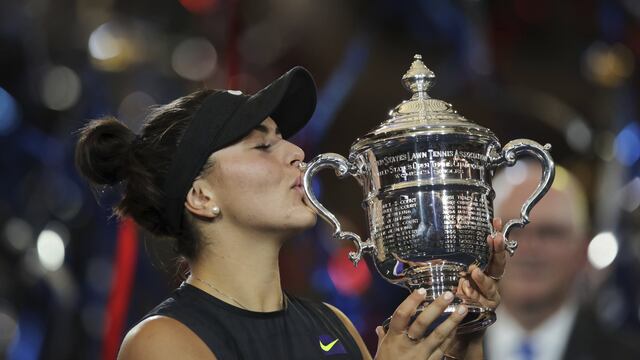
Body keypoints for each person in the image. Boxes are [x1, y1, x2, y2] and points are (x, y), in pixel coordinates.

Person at [75, 66, 507, 359]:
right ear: (202, 196)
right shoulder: (162, 341)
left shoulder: (333, 323)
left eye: (284, 137)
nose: (298, 152)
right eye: (262, 145)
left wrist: (463, 341)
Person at [485, 162, 640, 360]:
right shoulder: (442, 350)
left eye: (550, 233)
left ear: (583, 250)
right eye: (512, 230)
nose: (529, 248)